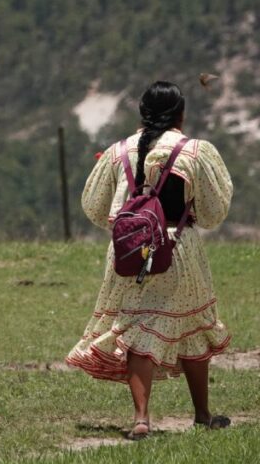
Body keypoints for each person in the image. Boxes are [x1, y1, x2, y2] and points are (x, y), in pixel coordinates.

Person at [66, 81, 233, 440]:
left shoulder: (117, 151)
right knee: (192, 326)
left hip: (128, 250)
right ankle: (202, 414)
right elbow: (215, 209)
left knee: (135, 329)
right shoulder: (195, 151)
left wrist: (127, 225)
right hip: (178, 247)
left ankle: (141, 418)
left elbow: (94, 206)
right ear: (181, 114)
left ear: (141, 113)